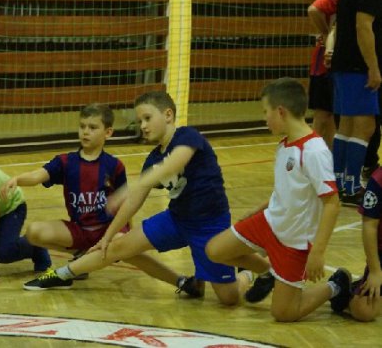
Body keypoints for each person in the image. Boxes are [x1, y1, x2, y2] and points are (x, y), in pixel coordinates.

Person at [23, 91, 263, 305]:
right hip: (176, 220)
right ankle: (60, 275)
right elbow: (133, 202)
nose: (143, 126)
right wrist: (106, 236)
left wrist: (134, 185)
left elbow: (174, 163)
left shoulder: (187, 136)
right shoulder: (153, 158)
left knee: (229, 298)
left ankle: (247, 273)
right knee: (117, 245)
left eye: (147, 118)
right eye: (139, 121)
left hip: (208, 225)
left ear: (168, 115)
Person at [2, 103, 202, 296]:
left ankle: (180, 281)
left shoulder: (114, 166)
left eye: (92, 127)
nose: (85, 132)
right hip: (80, 231)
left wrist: (127, 234)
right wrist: (18, 179)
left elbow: (127, 202)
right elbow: (38, 175)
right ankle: (82, 256)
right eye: (82, 127)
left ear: (108, 132)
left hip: (109, 230)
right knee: (34, 232)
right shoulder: (65, 162)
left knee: (127, 249)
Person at [205, 78, 348, 322]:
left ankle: (336, 286)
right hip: (269, 223)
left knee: (283, 313)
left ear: (281, 111)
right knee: (215, 250)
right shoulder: (284, 145)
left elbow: (332, 204)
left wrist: (317, 252)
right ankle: (267, 272)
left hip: (295, 241)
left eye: (266, 112)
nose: (265, 118)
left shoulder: (314, 151)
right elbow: (287, 190)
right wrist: (259, 209)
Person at [330, 0, 382, 205]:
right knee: (365, 126)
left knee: (347, 126)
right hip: (358, 68)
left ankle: (339, 184)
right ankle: (350, 189)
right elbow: (364, 27)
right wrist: (373, 67)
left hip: (344, 65)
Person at [307, 0, 363, 148]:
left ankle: (329, 156)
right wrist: (325, 33)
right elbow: (314, 9)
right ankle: (310, 155)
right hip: (325, 60)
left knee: (332, 113)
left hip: (340, 59)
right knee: (323, 113)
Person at [338, 166, 382, 321]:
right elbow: (369, 225)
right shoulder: (379, 180)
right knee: (364, 310)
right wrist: (375, 271)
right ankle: (340, 288)